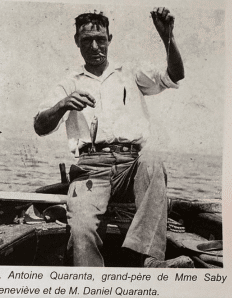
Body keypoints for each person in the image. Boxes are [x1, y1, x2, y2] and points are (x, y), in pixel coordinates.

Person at [34, 8, 193, 267]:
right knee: (82, 229)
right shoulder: (69, 82)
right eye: (87, 40)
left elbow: (174, 75)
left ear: (110, 38)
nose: (95, 46)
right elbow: (40, 125)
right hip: (90, 172)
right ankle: (93, 285)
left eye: (101, 39)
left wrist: (168, 38)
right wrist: (63, 104)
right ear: (77, 42)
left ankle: (149, 261)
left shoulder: (128, 73)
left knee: (152, 160)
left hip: (130, 166)